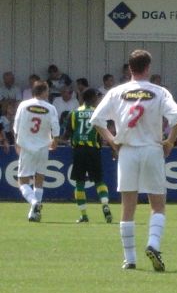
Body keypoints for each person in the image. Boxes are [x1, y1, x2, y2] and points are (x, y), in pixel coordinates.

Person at [90, 49, 177, 271]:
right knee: (158, 204)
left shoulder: (117, 92)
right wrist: (170, 141)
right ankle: (153, 244)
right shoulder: (159, 92)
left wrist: (112, 141)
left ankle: (130, 259)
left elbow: (97, 120)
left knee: (128, 206)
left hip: (128, 151)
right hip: (152, 149)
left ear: (129, 68)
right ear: (148, 68)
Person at [13, 80, 60, 222]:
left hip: (27, 147)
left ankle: (34, 203)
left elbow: (16, 125)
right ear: (44, 91)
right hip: (43, 147)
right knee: (39, 179)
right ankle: (34, 213)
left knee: (22, 182)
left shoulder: (23, 105)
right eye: (47, 90)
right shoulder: (50, 108)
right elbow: (55, 128)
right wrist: (55, 142)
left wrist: (17, 142)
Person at [65, 88, 112, 223]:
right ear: (92, 98)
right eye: (97, 98)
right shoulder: (98, 113)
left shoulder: (74, 113)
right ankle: (105, 205)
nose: (98, 100)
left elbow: (67, 134)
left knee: (79, 183)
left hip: (79, 150)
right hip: (94, 151)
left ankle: (84, 215)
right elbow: (104, 133)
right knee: (99, 181)